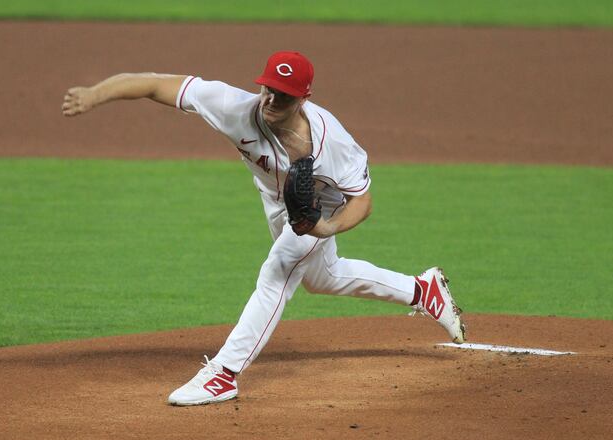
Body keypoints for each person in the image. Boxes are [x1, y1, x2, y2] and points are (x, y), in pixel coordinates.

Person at [62, 51, 466, 406]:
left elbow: (363, 201)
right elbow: (153, 83)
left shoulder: (333, 144)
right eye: (268, 89)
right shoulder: (234, 105)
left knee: (278, 271)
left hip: (321, 207)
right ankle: (422, 290)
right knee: (323, 278)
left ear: (303, 98)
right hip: (276, 202)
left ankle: (224, 374)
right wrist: (94, 94)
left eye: (284, 95)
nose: (271, 100)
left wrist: (324, 228)